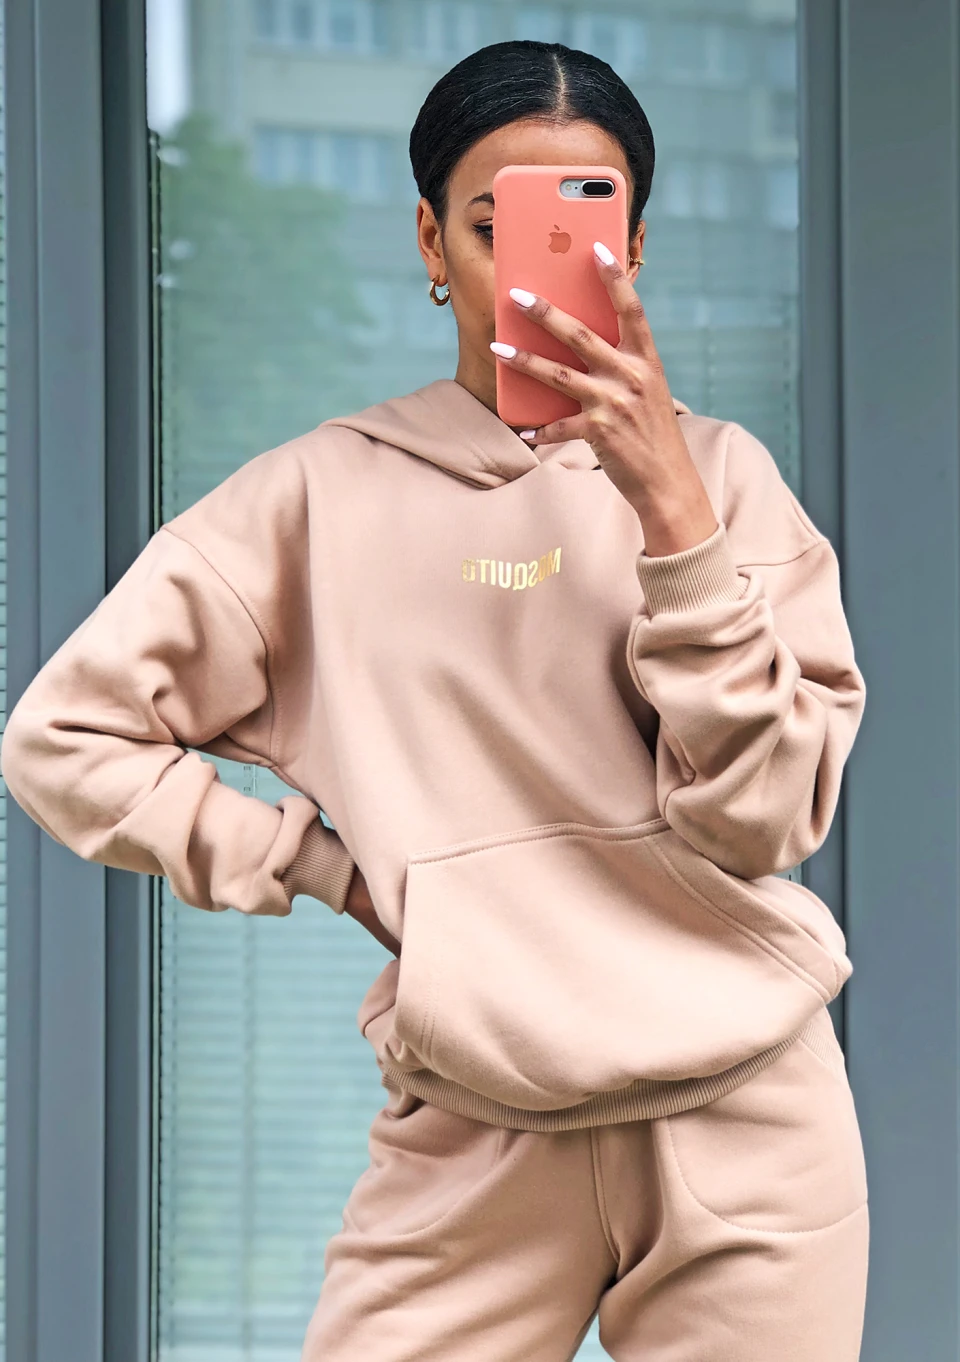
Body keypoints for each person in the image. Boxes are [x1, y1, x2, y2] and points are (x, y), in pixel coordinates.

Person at [1, 38, 869, 1362]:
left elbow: (764, 819)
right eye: (492, 224)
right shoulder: (317, 500)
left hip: (748, 1114)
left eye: (587, 226)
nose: (534, 268)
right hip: (473, 1120)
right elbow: (65, 737)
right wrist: (315, 865)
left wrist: (672, 518)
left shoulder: (725, 484)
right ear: (431, 240)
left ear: (635, 249)